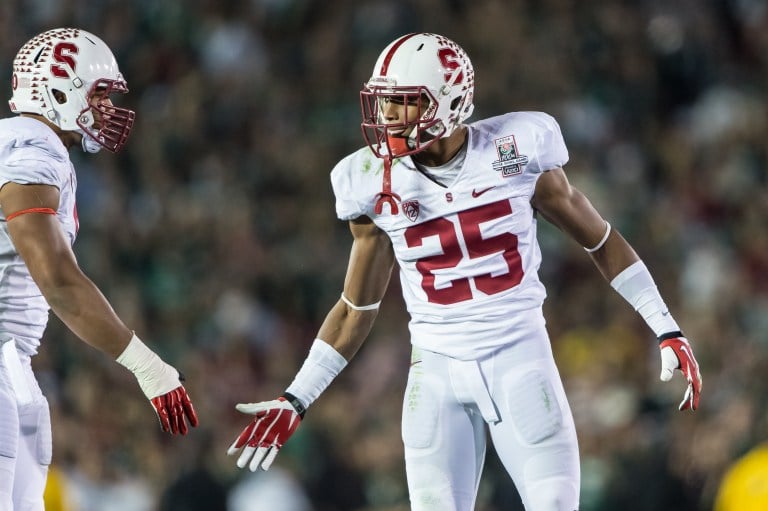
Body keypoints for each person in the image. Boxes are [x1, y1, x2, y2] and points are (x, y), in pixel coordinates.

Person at [227, 32, 702, 510]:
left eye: (403, 102)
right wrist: (297, 397)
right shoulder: (369, 181)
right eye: (384, 101)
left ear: (449, 103)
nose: (387, 115)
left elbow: (599, 240)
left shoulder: (516, 149)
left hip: (520, 356)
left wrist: (666, 326)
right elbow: (356, 308)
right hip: (434, 370)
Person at [0, 28, 198, 510]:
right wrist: (147, 366)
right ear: (57, 91)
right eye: (99, 94)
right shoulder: (32, 150)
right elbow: (59, 281)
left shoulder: (26, 144)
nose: (107, 109)